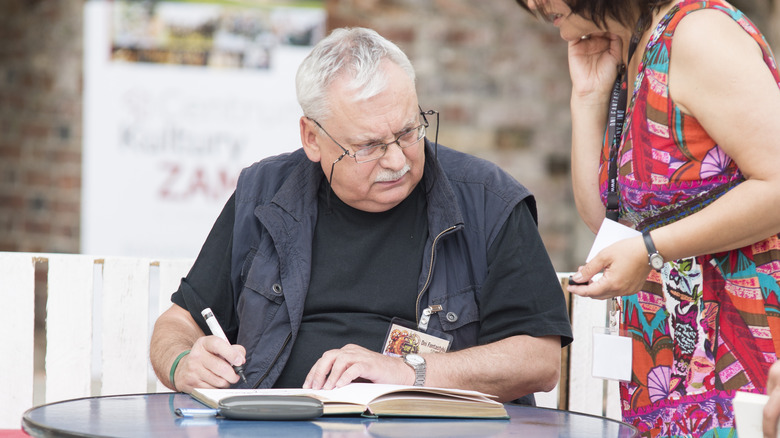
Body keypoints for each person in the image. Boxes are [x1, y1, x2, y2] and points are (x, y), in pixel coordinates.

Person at [149, 26, 573, 405]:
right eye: (368, 146)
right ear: (312, 138)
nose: (396, 160)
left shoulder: (488, 201)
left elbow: (538, 360)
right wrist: (183, 362)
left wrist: (408, 373)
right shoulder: (264, 193)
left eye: (408, 132)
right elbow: (178, 322)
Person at [517, 0, 780, 435]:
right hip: (666, 373)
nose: (531, 2)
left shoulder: (698, 34)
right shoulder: (635, 49)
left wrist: (653, 249)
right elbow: (610, 221)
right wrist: (588, 97)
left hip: (740, 365)